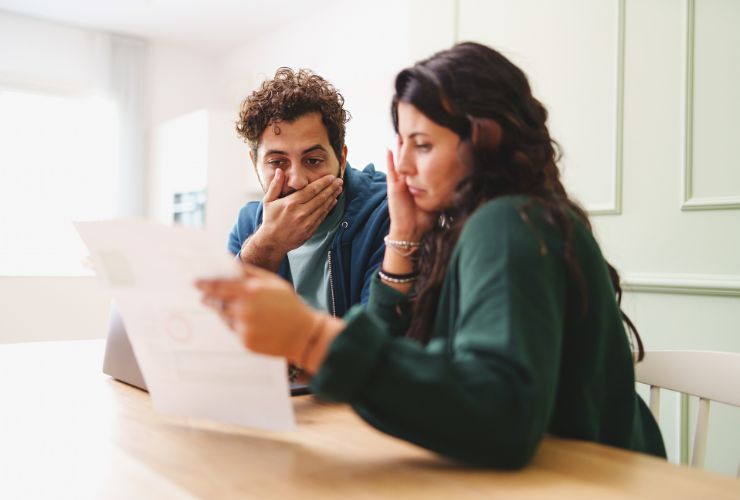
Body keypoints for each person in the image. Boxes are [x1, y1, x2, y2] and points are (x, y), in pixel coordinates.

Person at [198, 43, 666, 468]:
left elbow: (501, 416)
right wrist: (403, 237)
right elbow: (404, 357)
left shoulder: (508, 223)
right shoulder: (469, 225)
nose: (401, 166)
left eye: (422, 145)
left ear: (485, 143)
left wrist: (311, 337)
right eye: (404, 144)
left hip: (600, 480)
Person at [228, 67, 389, 318]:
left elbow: (377, 341)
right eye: (278, 162)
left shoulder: (383, 216)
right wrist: (266, 245)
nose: (297, 181)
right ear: (254, 164)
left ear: (341, 159)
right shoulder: (249, 224)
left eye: (313, 160)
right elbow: (222, 327)